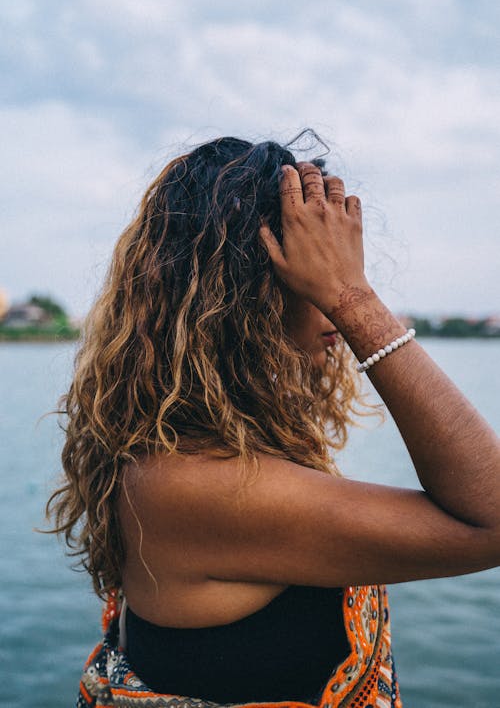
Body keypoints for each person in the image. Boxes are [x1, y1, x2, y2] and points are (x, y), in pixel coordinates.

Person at [47, 135, 500, 708]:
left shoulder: (187, 449)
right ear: (245, 295)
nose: (333, 310)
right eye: (314, 274)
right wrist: (352, 296)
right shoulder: (191, 484)